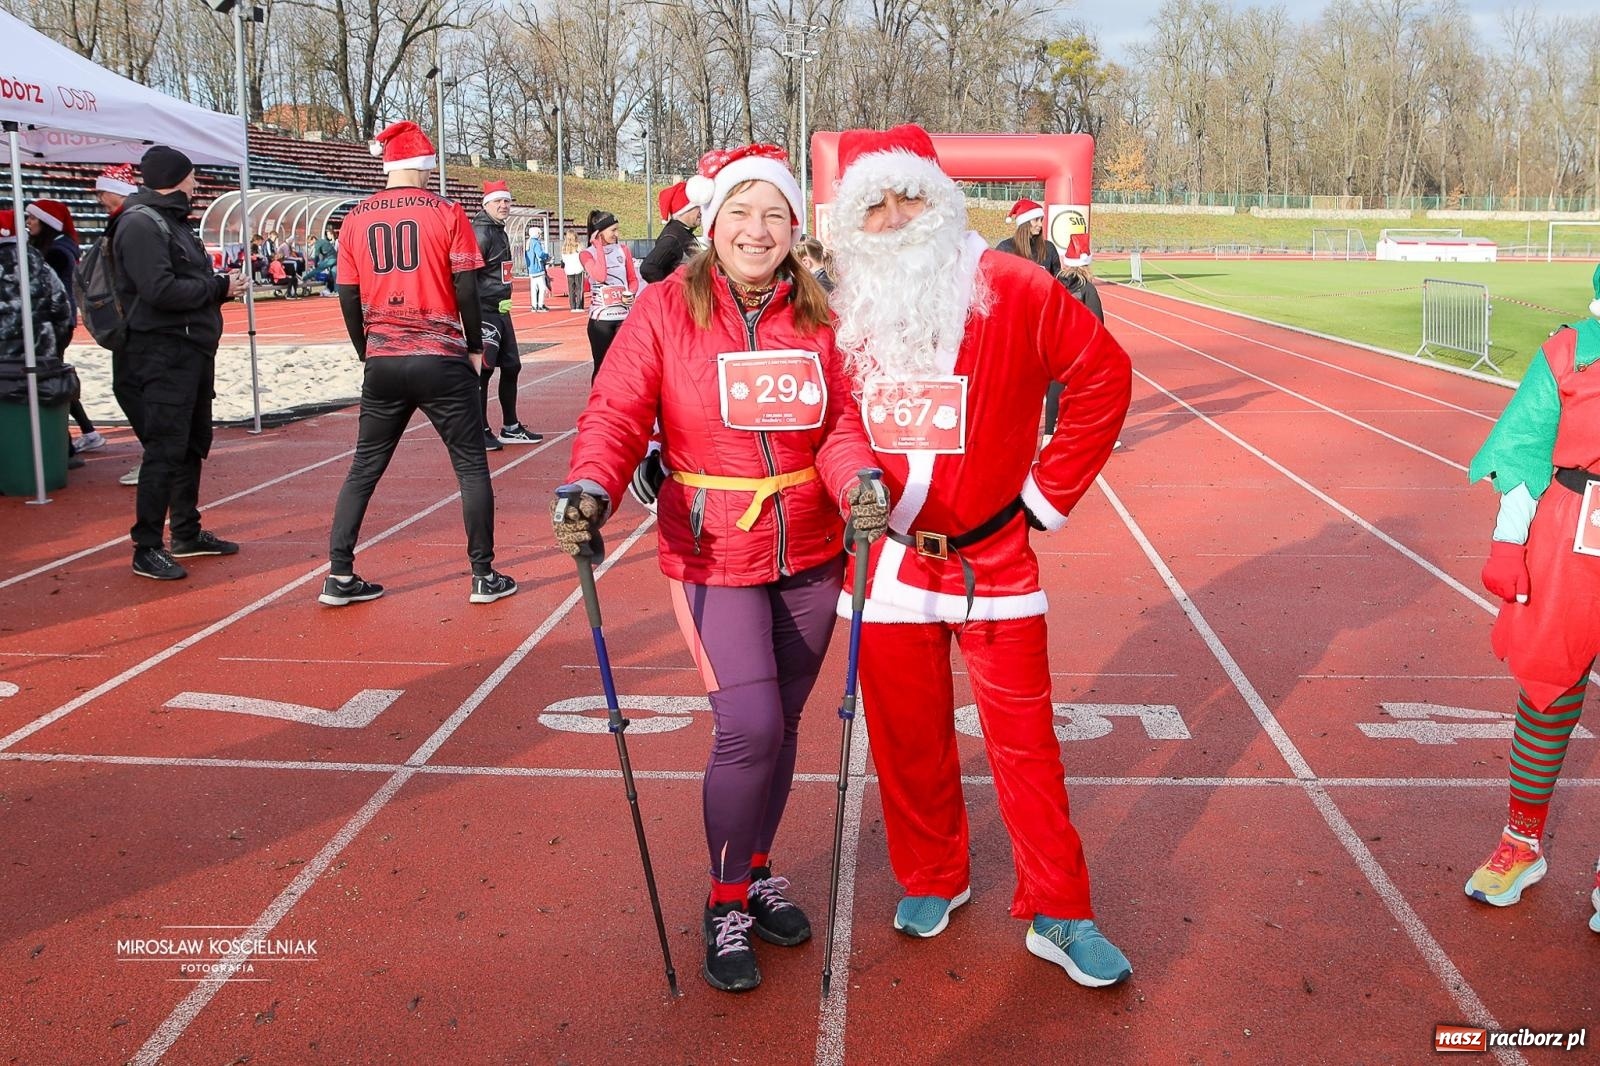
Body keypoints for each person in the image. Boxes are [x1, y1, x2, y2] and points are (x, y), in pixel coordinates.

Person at [554, 143, 890, 993]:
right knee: (750, 727)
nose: (757, 229)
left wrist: (859, 480)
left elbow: (840, 425)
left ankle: (758, 865)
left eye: (774, 213)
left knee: (785, 724)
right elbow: (617, 410)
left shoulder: (819, 312)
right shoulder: (666, 306)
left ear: (793, 227)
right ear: (713, 223)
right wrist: (591, 486)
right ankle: (725, 898)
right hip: (713, 548)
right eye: (741, 211)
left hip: (810, 547)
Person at [827, 124, 1134, 987]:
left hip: (994, 559)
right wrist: (852, 478)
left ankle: (1060, 908)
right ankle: (933, 874)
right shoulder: (849, 303)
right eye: (874, 205)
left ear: (942, 199)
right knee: (907, 743)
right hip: (890, 563)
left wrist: (1045, 495)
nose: (894, 217)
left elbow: (1104, 376)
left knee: (1026, 744)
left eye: (909, 196)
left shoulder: (1015, 286)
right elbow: (838, 420)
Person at [321, 121, 517, 607]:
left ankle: (339, 573)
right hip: (440, 354)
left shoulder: (354, 217)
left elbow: (347, 294)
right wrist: (475, 345)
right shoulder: (446, 212)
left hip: (384, 358)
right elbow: (466, 286)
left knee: (363, 467)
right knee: (470, 466)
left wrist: (364, 348)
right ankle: (482, 574)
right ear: (423, 165)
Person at [1463, 264, 1600, 935]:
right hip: (1571, 530)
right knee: (1548, 686)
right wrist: (1507, 544)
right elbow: (1522, 450)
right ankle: (1521, 843)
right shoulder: (1568, 351)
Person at [114, 145, 247, 581]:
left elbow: (183, 281)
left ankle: (186, 532)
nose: (195, 183)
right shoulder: (140, 224)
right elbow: (159, 291)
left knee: (191, 443)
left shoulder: (172, 221)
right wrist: (219, 288)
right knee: (165, 448)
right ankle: (147, 546)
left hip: (191, 349)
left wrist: (216, 286)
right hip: (162, 353)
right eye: (190, 175)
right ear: (175, 177)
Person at [0, 210, 77, 471]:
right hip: (39, 351)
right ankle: (57, 455)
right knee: (39, 405)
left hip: (3, 357)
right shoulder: (38, 263)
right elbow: (61, 306)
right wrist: (53, 339)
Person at [25, 200, 100, 462]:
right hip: (60, 321)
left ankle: (67, 444)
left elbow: (44, 289)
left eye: (33, 218)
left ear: (47, 222)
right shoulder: (60, 246)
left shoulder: (55, 252)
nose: (28, 223)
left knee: (51, 377)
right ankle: (87, 432)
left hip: (53, 322)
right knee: (54, 374)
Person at [470, 180, 541, 449]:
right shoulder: (481, 232)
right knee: (483, 372)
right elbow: (467, 274)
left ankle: (510, 427)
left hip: (501, 310)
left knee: (511, 366)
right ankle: (479, 429)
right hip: (484, 311)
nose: (504, 205)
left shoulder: (497, 229)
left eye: (507, 200)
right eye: (498, 201)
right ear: (486, 203)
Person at [94, 164, 143, 487]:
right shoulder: (125, 220)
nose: (99, 199)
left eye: (102, 192)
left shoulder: (130, 222)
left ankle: (157, 455)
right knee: (129, 386)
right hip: (132, 318)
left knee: (129, 386)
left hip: (135, 321)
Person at [1050, 232, 1106, 443]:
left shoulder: (1056, 283)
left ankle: (1049, 433)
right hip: (1080, 348)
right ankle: (1094, 434)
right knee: (1092, 391)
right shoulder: (1087, 288)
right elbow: (1097, 320)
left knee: (1056, 387)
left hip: (1057, 343)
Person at [578, 209, 638, 378]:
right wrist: (598, 247)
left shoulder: (623, 250)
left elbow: (632, 280)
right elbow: (600, 276)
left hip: (623, 318)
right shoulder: (586, 254)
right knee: (602, 369)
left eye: (617, 229)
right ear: (599, 232)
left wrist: (630, 293)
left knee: (626, 369)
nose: (617, 234)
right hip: (601, 322)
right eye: (613, 230)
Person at [639, 181, 702, 282]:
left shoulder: (682, 232)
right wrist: (668, 289)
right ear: (685, 209)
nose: (701, 211)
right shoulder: (673, 237)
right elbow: (648, 268)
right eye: (698, 207)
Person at [995, 197, 1060, 276]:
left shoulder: (1049, 248)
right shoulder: (1005, 248)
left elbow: (1057, 279)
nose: (1040, 224)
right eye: (1036, 220)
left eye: (1041, 220)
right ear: (1024, 223)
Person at [524, 227, 550, 312]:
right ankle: (540, 305)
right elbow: (540, 254)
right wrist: (547, 255)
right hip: (538, 268)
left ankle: (534, 305)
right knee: (542, 288)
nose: (540, 235)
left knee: (534, 289)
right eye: (539, 234)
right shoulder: (536, 243)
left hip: (531, 269)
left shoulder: (528, 242)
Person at [560, 231, 585, 313]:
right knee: (579, 288)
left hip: (569, 270)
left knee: (571, 289)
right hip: (578, 269)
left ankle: (573, 306)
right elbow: (582, 256)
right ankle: (579, 306)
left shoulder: (564, 248)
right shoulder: (579, 246)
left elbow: (563, 260)